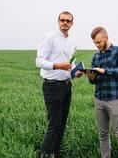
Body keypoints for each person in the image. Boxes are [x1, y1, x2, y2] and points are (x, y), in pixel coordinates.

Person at [35, 11, 82, 157]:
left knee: (62, 123)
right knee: (54, 124)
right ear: (58, 21)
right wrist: (57, 66)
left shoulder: (72, 42)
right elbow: (39, 61)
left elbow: (71, 63)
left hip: (67, 86)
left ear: (72, 23)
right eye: (62, 20)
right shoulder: (49, 38)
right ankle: (44, 153)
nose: (65, 23)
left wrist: (76, 71)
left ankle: (56, 152)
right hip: (52, 86)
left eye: (68, 21)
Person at [85, 26, 118, 158]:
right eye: (94, 43)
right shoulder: (96, 57)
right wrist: (90, 76)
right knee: (103, 134)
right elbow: (94, 82)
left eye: (99, 42)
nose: (97, 45)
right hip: (99, 100)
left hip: (115, 99)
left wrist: (105, 71)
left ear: (106, 38)